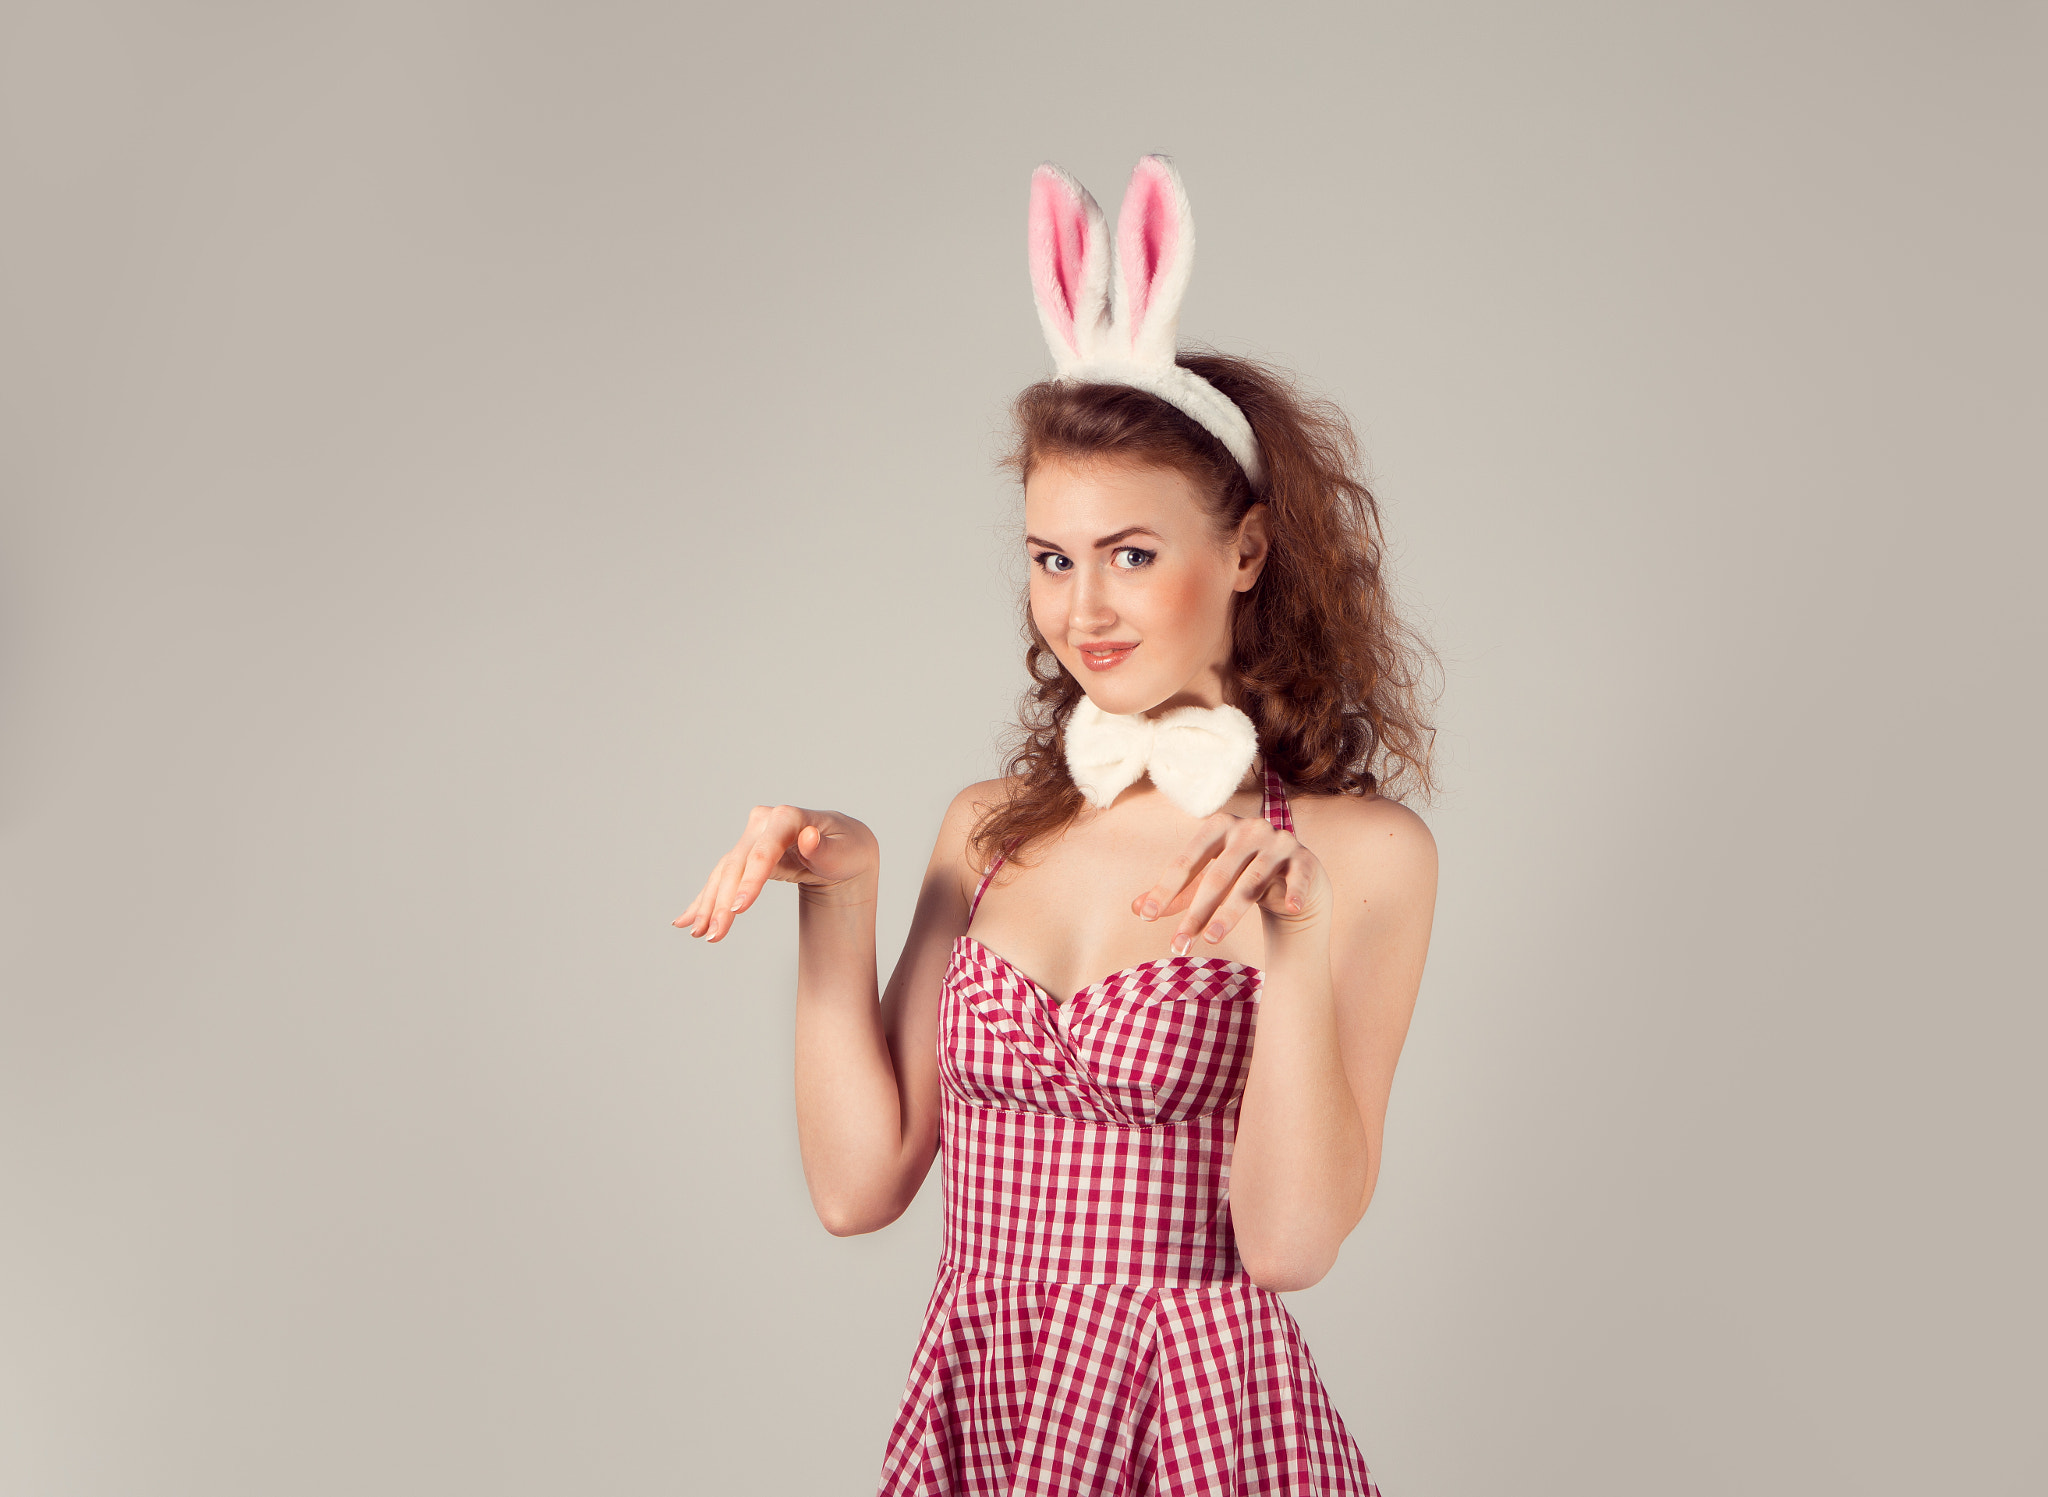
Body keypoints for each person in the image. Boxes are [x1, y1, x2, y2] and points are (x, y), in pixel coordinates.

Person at [677, 155, 1438, 1495]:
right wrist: (836, 895)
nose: (1084, 607)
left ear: (1248, 552)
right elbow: (858, 1187)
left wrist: (1289, 943)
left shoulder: (1358, 855)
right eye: (1052, 556)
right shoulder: (988, 830)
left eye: (1133, 553)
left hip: (1206, 1431)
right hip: (995, 1414)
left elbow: (1290, 1243)